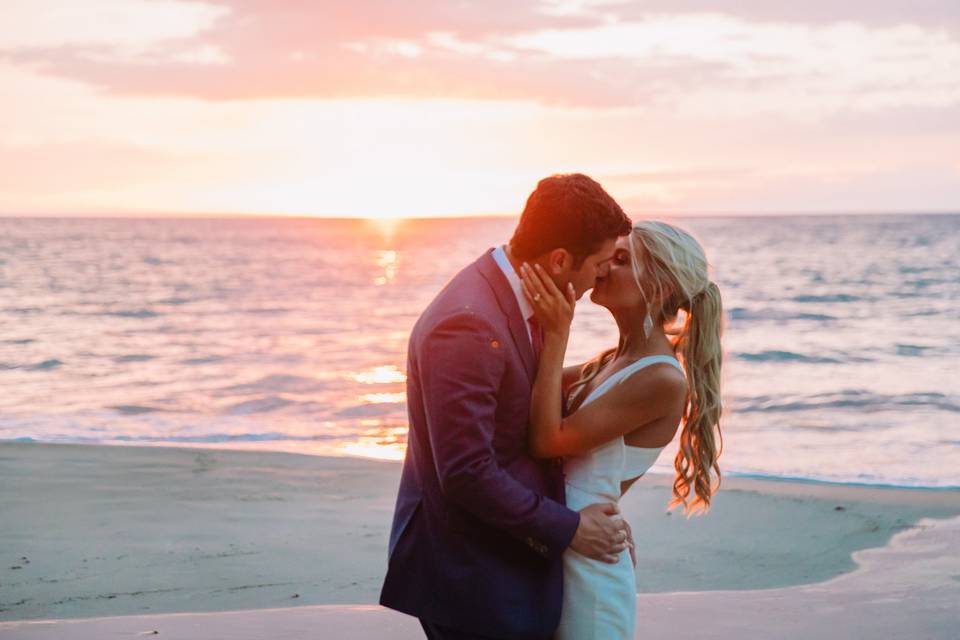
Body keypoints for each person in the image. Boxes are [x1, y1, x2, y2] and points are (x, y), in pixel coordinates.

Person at [380, 174, 633, 639]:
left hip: (497, 557)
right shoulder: (468, 324)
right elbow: (466, 471)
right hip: (470, 574)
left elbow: (519, 405)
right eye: (598, 263)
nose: (601, 275)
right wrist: (572, 527)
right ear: (560, 259)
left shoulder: (522, 295)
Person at [518, 220, 725, 639]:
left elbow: (546, 440)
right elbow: (523, 391)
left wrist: (559, 330)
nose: (603, 265)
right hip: (567, 541)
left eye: (622, 259)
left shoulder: (661, 379)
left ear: (662, 287)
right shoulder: (611, 362)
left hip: (589, 572)